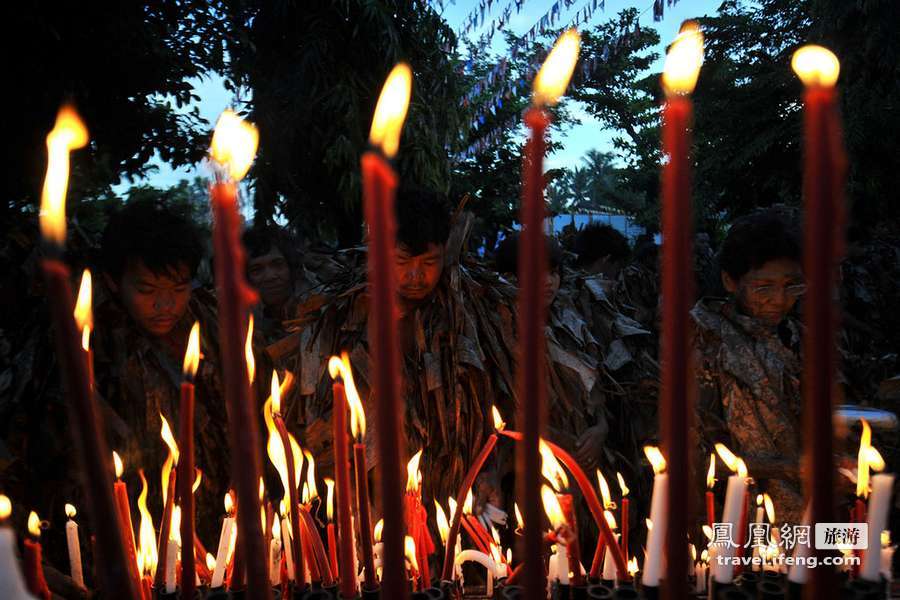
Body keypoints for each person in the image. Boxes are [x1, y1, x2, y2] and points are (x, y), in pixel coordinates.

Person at [290, 187, 513, 516]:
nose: (415, 275)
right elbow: (311, 421)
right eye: (401, 261)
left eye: (429, 262)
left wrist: (491, 471)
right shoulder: (338, 325)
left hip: (453, 503)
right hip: (369, 509)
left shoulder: (470, 317)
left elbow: (499, 410)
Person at [92, 199, 232, 544]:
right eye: (147, 290)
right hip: (134, 535)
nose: (165, 305)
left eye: (179, 288)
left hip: (219, 526)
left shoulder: (213, 327)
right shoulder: (94, 344)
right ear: (113, 282)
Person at [691, 209, 807, 524]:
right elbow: (696, 456)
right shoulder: (703, 343)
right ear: (730, 280)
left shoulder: (798, 338)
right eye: (763, 288)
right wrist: (788, 466)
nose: (780, 300)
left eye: (791, 286)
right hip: (738, 519)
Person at [243, 225, 305, 344]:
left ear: (290, 267)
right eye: (257, 269)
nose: (270, 276)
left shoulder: (317, 301)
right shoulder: (244, 318)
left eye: (277, 264)